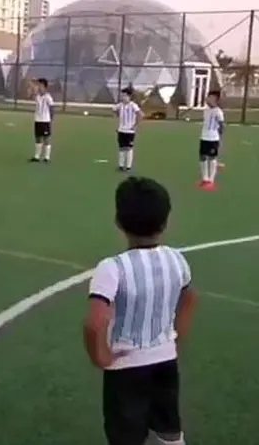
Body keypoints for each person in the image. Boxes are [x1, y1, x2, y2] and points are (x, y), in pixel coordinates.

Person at [84, 176, 197, 445]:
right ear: (165, 221)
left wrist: (100, 356)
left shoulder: (112, 268)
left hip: (126, 367)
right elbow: (191, 298)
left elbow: (94, 323)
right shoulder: (176, 258)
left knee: (126, 433)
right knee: (169, 425)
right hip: (165, 359)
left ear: (118, 222)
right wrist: (177, 339)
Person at [198, 90, 224, 190]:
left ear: (216, 100)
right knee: (202, 157)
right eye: (208, 97)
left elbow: (221, 126)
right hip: (204, 137)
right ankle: (205, 178)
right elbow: (206, 102)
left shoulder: (218, 112)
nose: (208, 99)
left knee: (212, 158)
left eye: (211, 97)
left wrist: (219, 136)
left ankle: (211, 180)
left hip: (213, 138)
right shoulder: (206, 110)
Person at [114, 87, 143, 172]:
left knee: (129, 148)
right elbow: (114, 110)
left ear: (129, 97)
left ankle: (128, 166)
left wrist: (135, 125)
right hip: (121, 130)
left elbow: (140, 115)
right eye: (122, 96)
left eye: (125, 96)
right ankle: (121, 165)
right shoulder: (120, 105)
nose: (123, 98)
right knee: (121, 148)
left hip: (130, 131)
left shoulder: (133, 105)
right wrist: (118, 115)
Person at [29, 78, 55, 163]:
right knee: (38, 138)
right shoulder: (37, 96)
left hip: (45, 121)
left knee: (46, 139)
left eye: (40, 85)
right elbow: (30, 96)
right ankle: (37, 156)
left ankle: (47, 157)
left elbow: (52, 108)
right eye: (38, 85)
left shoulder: (48, 97)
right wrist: (32, 85)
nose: (39, 87)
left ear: (44, 86)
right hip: (37, 120)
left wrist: (51, 119)